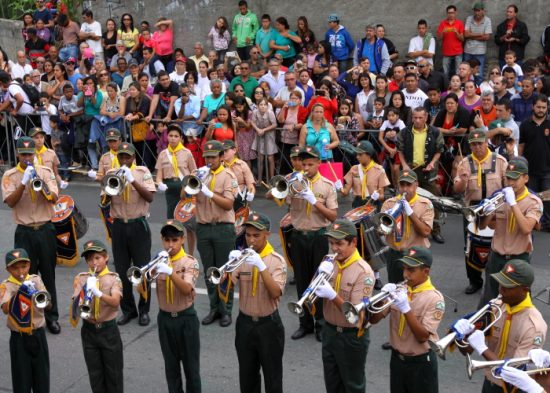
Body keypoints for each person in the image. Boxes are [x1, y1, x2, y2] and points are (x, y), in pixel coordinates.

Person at [454, 259, 546, 393]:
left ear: (525, 290)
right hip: (490, 383)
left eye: (508, 286)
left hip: (513, 389)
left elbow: (512, 373)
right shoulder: (495, 306)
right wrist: (460, 336)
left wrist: (482, 348)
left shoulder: (533, 326)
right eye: (501, 283)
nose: (501, 290)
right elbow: (466, 351)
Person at [218, 212, 286, 393]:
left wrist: (261, 267)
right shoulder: (242, 258)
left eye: (256, 235)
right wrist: (229, 266)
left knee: (273, 379)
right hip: (245, 324)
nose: (251, 240)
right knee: (247, 378)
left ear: (267, 235)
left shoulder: (276, 261)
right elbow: (225, 289)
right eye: (248, 235)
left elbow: (275, 293)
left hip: (269, 325)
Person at [1, 137, 60, 334]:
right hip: (25, 231)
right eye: (23, 154)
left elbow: (54, 197)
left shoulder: (45, 171)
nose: (27, 157)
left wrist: (38, 181)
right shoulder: (10, 175)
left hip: (45, 228)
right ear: (18, 154)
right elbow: (10, 201)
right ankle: (28, 316)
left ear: (35, 154)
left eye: (30, 154)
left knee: (48, 275)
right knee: (25, 277)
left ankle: (52, 317)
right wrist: (23, 183)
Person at [311, 219, 375, 393]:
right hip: (330, 331)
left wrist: (332, 295)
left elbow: (355, 316)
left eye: (339, 243)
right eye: (331, 243)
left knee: (353, 385)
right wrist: (318, 276)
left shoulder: (364, 271)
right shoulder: (329, 262)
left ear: (353, 242)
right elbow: (311, 294)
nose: (334, 248)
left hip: (351, 336)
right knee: (332, 384)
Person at [369, 246, 445, 393]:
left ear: (426, 272)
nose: (405, 274)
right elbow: (374, 319)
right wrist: (381, 298)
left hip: (421, 363)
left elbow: (423, 337)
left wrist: (405, 308)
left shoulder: (434, 299)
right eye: (404, 269)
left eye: (411, 270)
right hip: (397, 360)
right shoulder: (399, 290)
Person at [141, 220, 202, 392]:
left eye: (175, 240)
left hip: (186, 319)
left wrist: (169, 271)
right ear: (162, 240)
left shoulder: (190, 262)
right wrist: (148, 274)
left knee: (191, 369)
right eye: (167, 240)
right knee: (171, 368)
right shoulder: (158, 261)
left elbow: (186, 289)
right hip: (165, 319)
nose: (170, 244)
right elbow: (142, 288)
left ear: (183, 239)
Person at [285, 146, 337, 341]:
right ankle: (304, 323)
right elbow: (278, 198)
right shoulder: (295, 183)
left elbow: (333, 216)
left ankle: (321, 324)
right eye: (303, 164)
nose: (305, 167)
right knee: (301, 281)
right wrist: (285, 188)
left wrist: (314, 201)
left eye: (310, 164)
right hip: (298, 235)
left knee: (319, 283)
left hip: (318, 236)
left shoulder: (327, 185)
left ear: (318, 164)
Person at [479, 159, 543, 304]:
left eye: (515, 178)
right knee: (490, 299)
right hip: (496, 257)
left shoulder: (533, 201)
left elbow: (527, 228)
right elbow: (483, 227)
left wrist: (513, 203)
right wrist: (488, 213)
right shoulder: (500, 197)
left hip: (519, 258)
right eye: (508, 178)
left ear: (526, 178)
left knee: (519, 301)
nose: (511, 183)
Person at [106, 142, 156, 327]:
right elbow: (105, 200)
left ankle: (144, 310)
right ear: (118, 157)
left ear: (133, 157)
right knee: (121, 270)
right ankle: (128, 310)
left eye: (128, 157)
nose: (125, 160)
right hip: (119, 225)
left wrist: (132, 179)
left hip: (138, 225)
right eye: (122, 157)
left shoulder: (143, 172)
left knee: (143, 270)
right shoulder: (112, 173)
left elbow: (150, 197)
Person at [453, 131, 507, 294]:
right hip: (472, 210)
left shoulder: (499, 161)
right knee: (471, 247)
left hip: (495, 209)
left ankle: (497, 280)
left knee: (497, 246)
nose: (477, 147)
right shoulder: (464, 162)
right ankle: (474, 281)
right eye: (473, 144)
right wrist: (462, 179)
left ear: (486, 142)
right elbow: (457, 190)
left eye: (480, 143)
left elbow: (507, 187)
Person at [194, 140, 238, 327]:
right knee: (209, 271)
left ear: (221, 157)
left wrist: (208, 192)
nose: (209, 160)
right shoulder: (200, 174)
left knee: (224, 271)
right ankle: (214, 308)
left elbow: (228, 204)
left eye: (213, 157)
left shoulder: (228, 175)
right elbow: (184, 196)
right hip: (204, 227)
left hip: (223, 228)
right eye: (207, 157)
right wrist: (195, 180)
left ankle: (226, 310)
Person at [72, 240, 123, 393]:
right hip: (89, 331)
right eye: (89, 259)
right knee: (95, 376)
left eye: (97, 258)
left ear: (106, 257)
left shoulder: (114, 278)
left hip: (108, 331)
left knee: (113, 375)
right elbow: (76, 305)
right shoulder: (81, 278)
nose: (93, 262)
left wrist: (98, 293)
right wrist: (85, 291)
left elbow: (115, 302)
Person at [1, 248, 51, 393]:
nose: (20, 271)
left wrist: (37, 293)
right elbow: (4, 308)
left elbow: (48, 304)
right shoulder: (6, 286)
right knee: (21, 381)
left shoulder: (35, 280)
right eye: (15, 268)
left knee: (42, 379)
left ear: (29, 265)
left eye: (24, 266)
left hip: (38, 334)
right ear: (8, 269)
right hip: (19, 338)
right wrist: (20, 293)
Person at [397, 107, 445, 244]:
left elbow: (439, 150)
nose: (417, 120)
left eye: (420, 118)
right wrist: (404, 165)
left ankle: (435, 230)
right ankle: (403, 229)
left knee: (433, 201)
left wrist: (432, 163)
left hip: (428, 172)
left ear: (426, 118)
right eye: (415, 117)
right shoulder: (405, 132)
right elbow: (399, 150)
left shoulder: (435, 132)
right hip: (410, 172)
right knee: (405, 199)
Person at [519, 95, 550, 231]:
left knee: (547, 199)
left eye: (544, 107)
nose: (541, 110)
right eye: (538, 107)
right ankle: (530, 222)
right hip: (529, 170)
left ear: (547, 108)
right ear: (533, 107)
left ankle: (547, 224)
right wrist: (519, 163)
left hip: (548, 170)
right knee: (531, 198)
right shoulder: (525, 124)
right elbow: (521, 146)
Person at [155, 123, 197, 221]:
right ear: (167, 136)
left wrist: (189, 186)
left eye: (176, 136)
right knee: (171, 216)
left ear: (181, 138)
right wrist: (160, 183)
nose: (173, 138)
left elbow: (194, 171)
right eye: (171, 135)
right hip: (169, 188)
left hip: (184, 187)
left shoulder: (187, 153)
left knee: (185, 217)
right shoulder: (163, 154)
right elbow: (159, 176)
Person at [342, 140, 390, 207]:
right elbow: (345, 193)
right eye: (357, 154)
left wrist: (378, 196)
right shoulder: (354, 169)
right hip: (358, 204)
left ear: (368, 155)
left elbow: (382, 196)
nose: (357, 157)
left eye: (360, 154)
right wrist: (339, 187)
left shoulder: (379, 170)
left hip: (373, 204)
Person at [464, 3, 493, 86]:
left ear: (483, 11)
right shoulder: (469, 18)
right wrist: (480, 34)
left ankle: (478, 91)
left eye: (479, 11)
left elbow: (487, 37)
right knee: (466, 72)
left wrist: (471, 35)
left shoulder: (487, 20)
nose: (477, 13)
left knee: (479, 74)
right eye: (475, 11)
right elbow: (466, 34)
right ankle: (467, 88)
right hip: (468, 50)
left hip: (480, 51)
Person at [222, 139, 255, 211]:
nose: (223, 153)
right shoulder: (219, 166)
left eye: (226, 151)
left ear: (234, 150)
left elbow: (250, 184)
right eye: (222, 151)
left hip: (240, 198)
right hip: (225, 198)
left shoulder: (242, 165)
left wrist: (251, 193)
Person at [437, 5, 465, 80]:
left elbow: (462, 39)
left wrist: (456, 33)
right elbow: (439, 38)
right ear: (447, 13)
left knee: (458, 72)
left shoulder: (459, 23)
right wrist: (443, 32)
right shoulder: (442, 24)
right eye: (449, 13)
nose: (450, 14)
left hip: (458, 51)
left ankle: (458, 88)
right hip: (446, 52)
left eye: (452, 13)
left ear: (455, 13)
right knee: (445, 73)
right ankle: (446, 88)